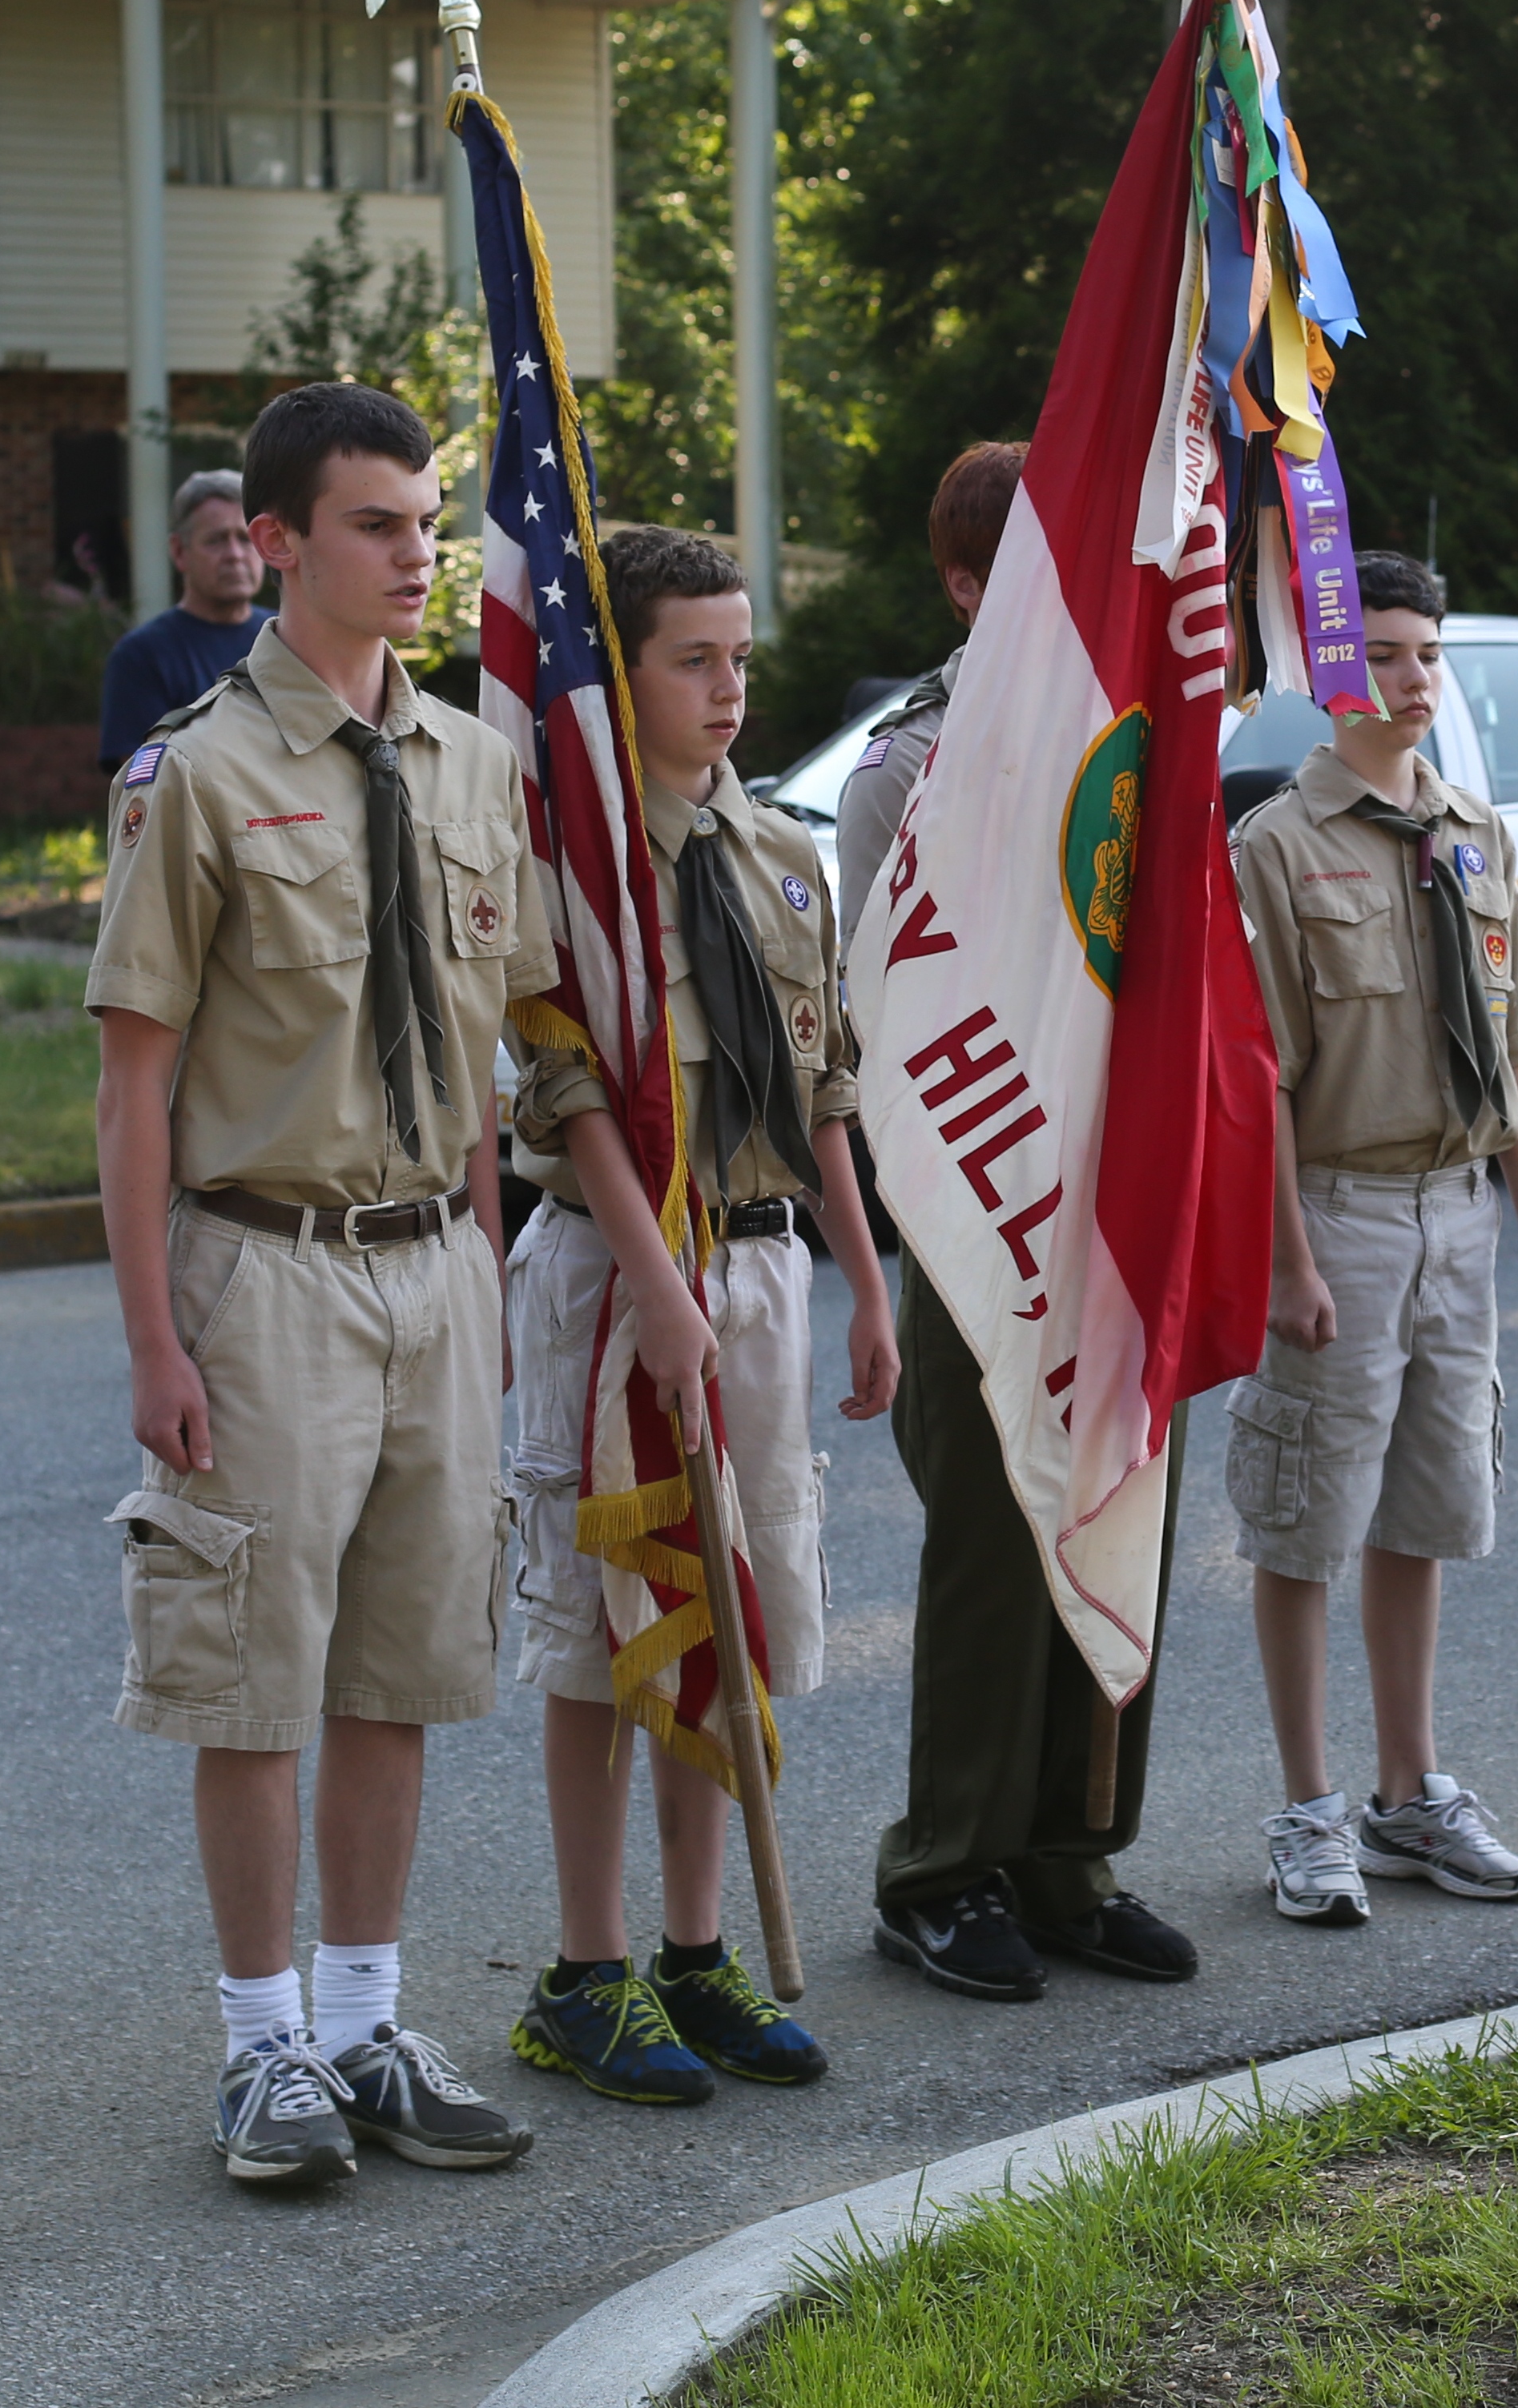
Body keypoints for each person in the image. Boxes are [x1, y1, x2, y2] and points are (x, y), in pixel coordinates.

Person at [83, 382, 542, 2193]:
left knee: (402, 1670)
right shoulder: (193, 776)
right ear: (271, 543)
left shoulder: (472, 769)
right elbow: (132, 1087)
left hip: (434, 1262)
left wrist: (489, 1274)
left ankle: (365, 2026)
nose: (415, 554)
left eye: (425, 521)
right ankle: (262, 2047)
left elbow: (483, 1053)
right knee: (255, 1675)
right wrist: (150, 1334)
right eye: (373, 524)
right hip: (265, 1269)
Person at [502, 523, 904, 2103]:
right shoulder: (581, 871)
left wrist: (863, 1280)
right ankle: (587, 1973)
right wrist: (655, 1285)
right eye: (694, 657)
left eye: (744, 656)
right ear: (625, 672)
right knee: (608, 1632)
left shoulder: (780, 858)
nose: (729, 687)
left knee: (730, 1620)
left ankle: (694, 1950)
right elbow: (570, 1087)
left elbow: (824, 1097)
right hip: (615, 1280)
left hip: (752, 1271)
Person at [840, 443, 1205, 2002]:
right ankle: (946, 1864)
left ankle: (1070, 1849)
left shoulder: (1124, 749)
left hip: (1114, 1213)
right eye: (1028, 575)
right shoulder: (906, 768)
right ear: (966, 586)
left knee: (1114, 1500)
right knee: (993, 1545)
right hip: (983, 1200)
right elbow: (884, 1014)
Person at [1224, 550, 1518, 1929]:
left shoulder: (1478, 836)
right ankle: (1307, 1807)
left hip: (1456, 1215)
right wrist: (1284, 1261)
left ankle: (1406, 1790)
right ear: (1327, 669)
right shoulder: (1274, 844)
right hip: (1340, 1209)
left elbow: (1516, 1051)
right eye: (1381, 651)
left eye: (1427, 652)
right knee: (1306, 1513)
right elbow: (1252, 1078)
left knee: (1423, 1511)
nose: (1412, 676)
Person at [98, 470, 272, 778]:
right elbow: (141, 788)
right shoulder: (141, 657)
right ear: (179, 552)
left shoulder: (287, 639)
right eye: (217, 540)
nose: (234, 555)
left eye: (245, 539)